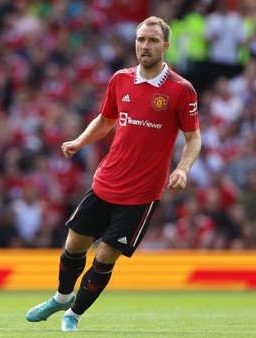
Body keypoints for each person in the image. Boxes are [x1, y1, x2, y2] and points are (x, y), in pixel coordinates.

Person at [25, 16, 202, 332]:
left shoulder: (180, 90)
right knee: (74, 244)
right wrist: (79, 141)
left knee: (106, 255)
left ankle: (73, 315)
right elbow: (105, 119)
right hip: (106, 180)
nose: (144, 46)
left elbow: (193, 137)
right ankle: (62, 296)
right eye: (140, 39)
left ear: (166, 46)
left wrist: (183, 168)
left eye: (152, 40)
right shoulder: (120, 79)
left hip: (141, 193)